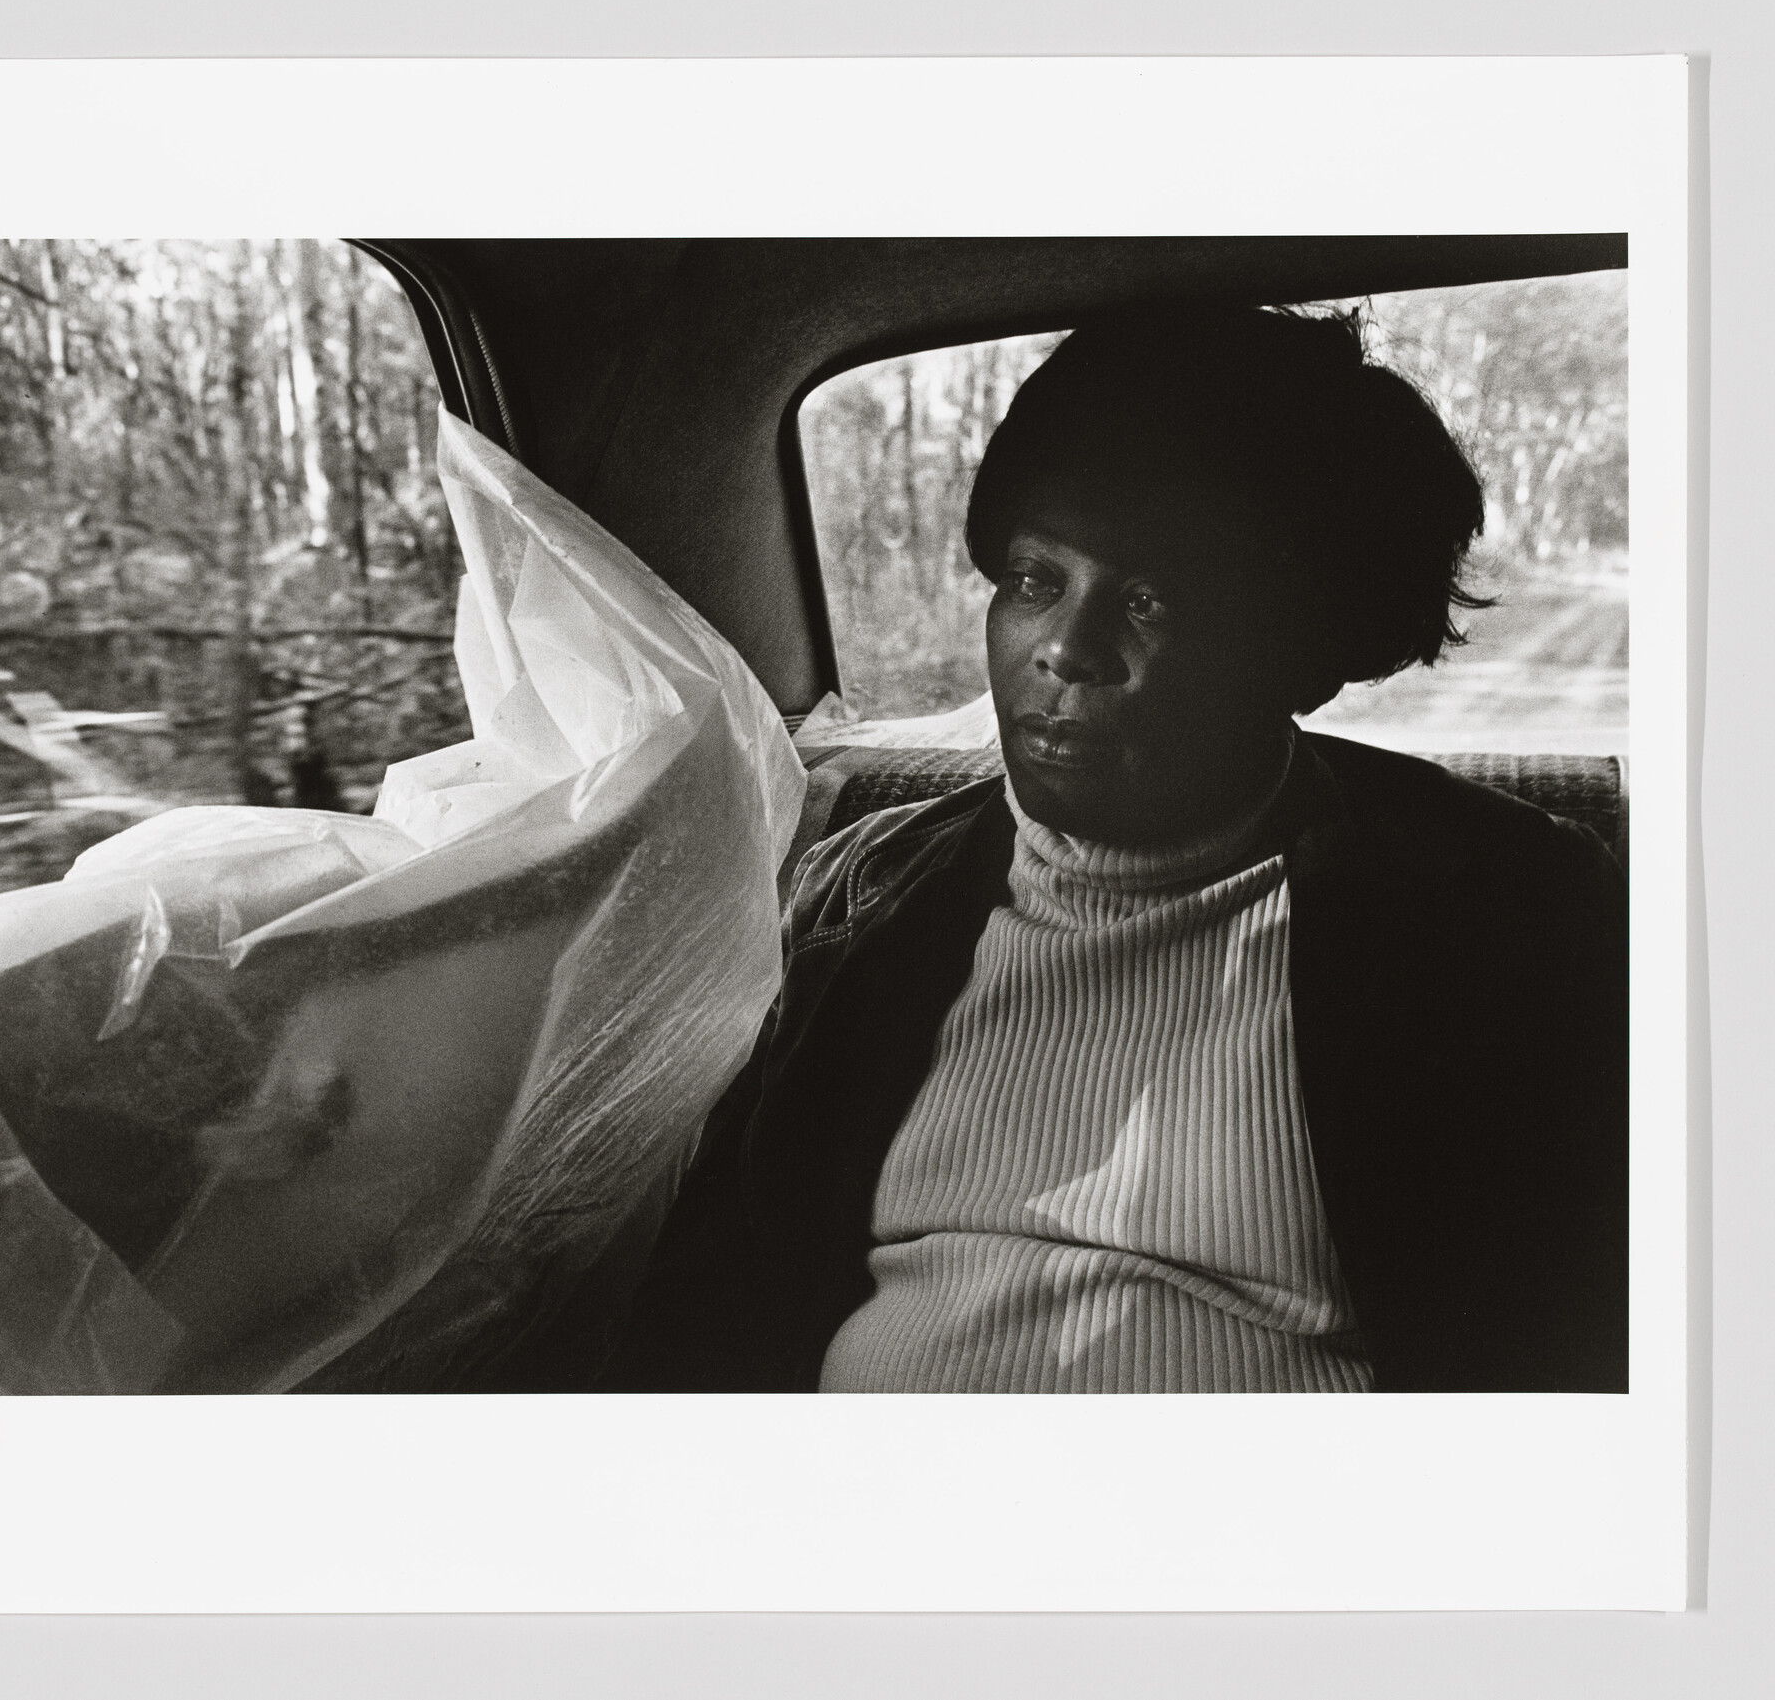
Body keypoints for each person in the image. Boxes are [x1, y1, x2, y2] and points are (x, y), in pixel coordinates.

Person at [600, 303, 1628, 1395]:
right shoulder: (864, 895)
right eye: (1034, 579)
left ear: (1309, 649)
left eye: (1145, 600)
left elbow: (1581, 1339)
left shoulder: (1503, 912)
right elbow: (708, 1309)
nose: (1064, 649)